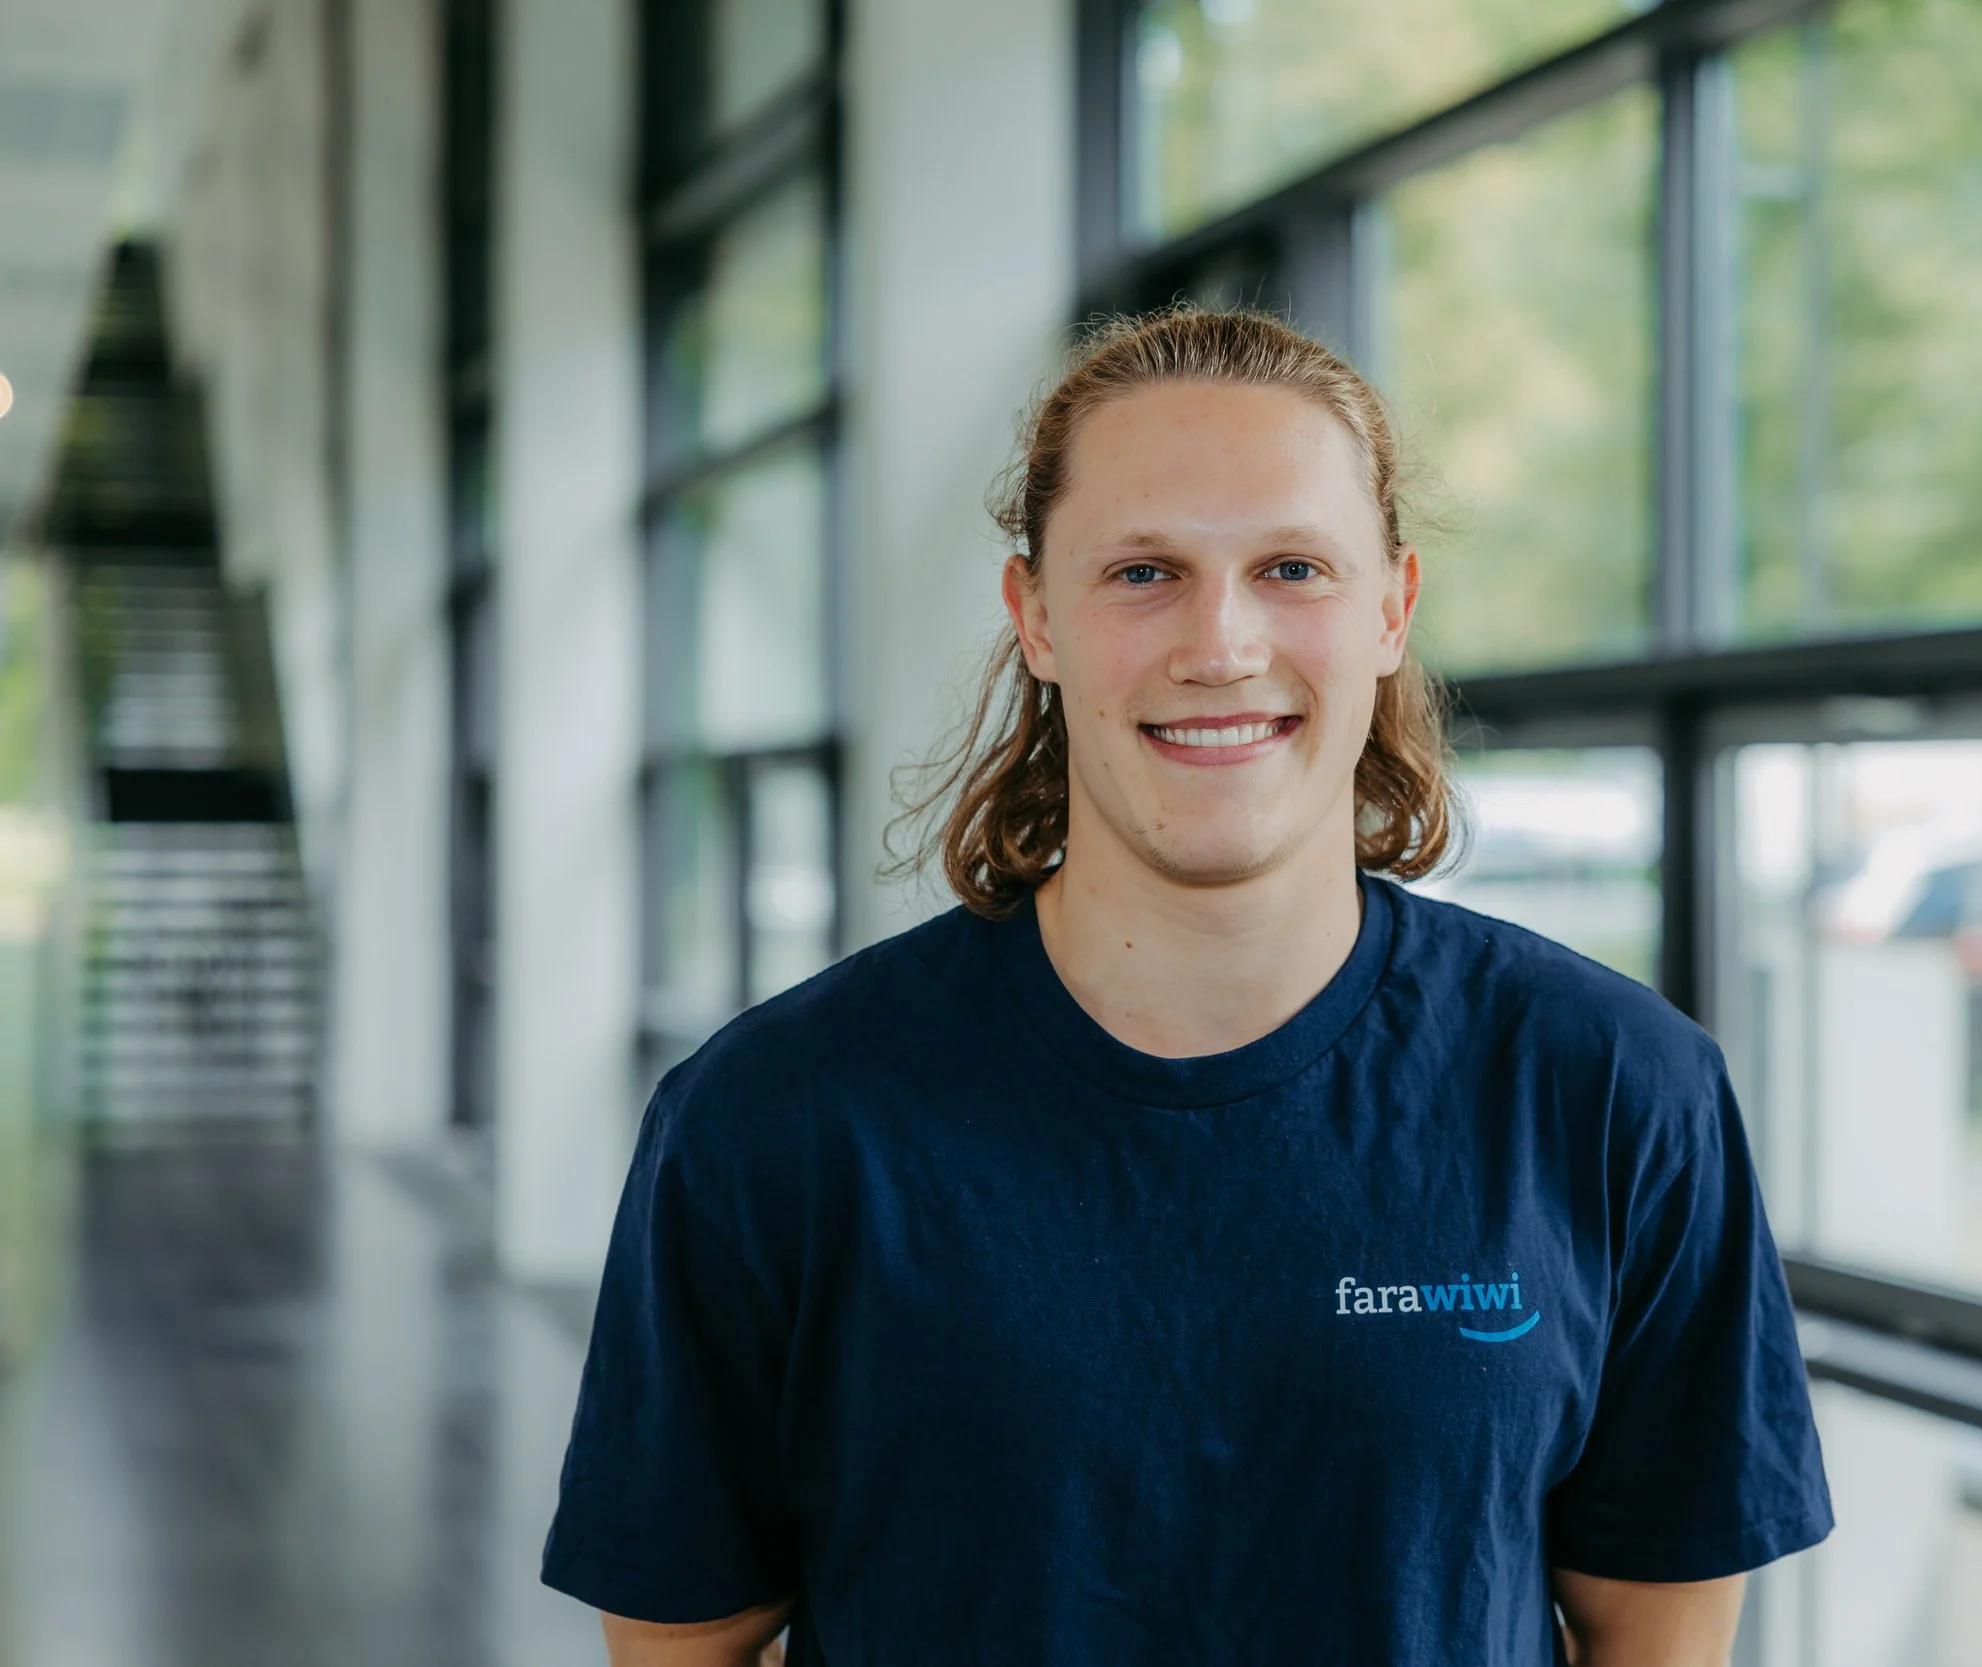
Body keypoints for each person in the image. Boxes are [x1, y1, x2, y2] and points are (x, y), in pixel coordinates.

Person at [542, 308, 1833, 1666]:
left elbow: (1660, 1633)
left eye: (1291, 566)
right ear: (1035, 614)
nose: (1219, 643)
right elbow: (684, 1643)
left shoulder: (1614, 1088)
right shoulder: (776, 1118)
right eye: (1144, 571)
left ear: (1391, 607)